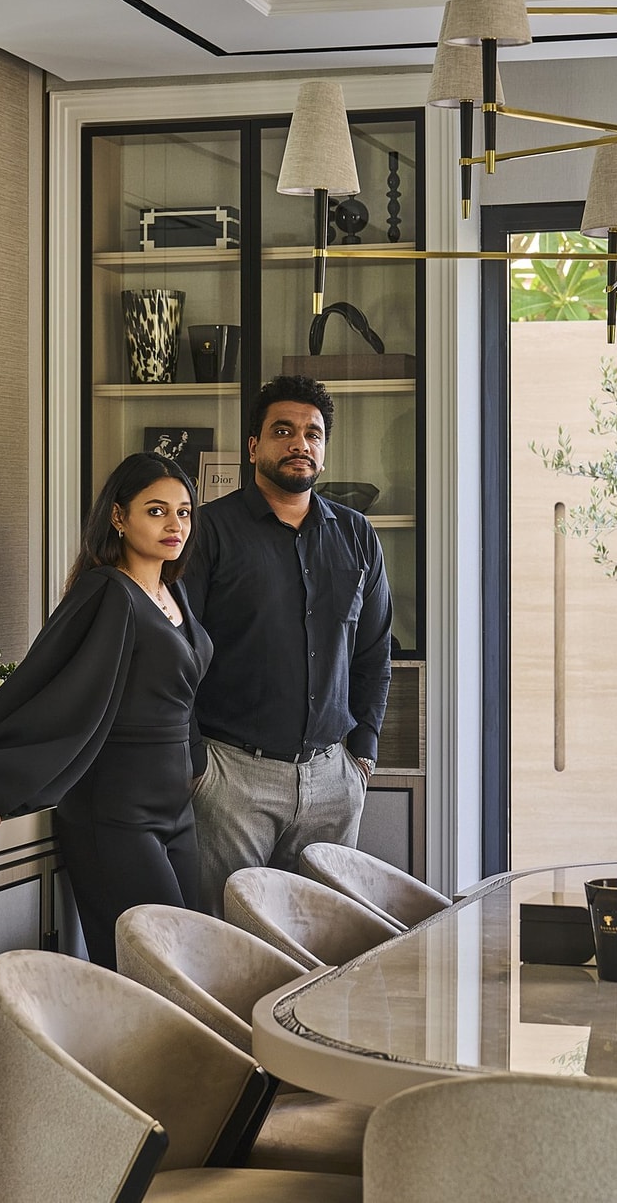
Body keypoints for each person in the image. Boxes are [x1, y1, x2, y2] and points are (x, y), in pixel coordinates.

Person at [0, 453, 212, 969]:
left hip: (177, 811)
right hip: (117, 813)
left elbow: (180, 695)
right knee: (151, 974)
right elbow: (65, 695)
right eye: (156, 511)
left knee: (187, 970)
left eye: (185, 512)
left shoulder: (173, 593)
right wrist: (3, 792)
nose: (175, 524)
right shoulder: (108, 591)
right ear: (118, 516)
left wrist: (194, 765)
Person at [181, 374, 392, 915]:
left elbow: (373, 651)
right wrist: (195, 762)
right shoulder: (208, 532)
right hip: (231, 780)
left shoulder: (356, 535)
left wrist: (362, 751)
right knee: (229, 944)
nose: (300, 443)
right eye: (283, 430)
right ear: (254, 446)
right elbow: (174, 654)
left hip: (333, 778)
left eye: (313, 433)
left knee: (325, 942)